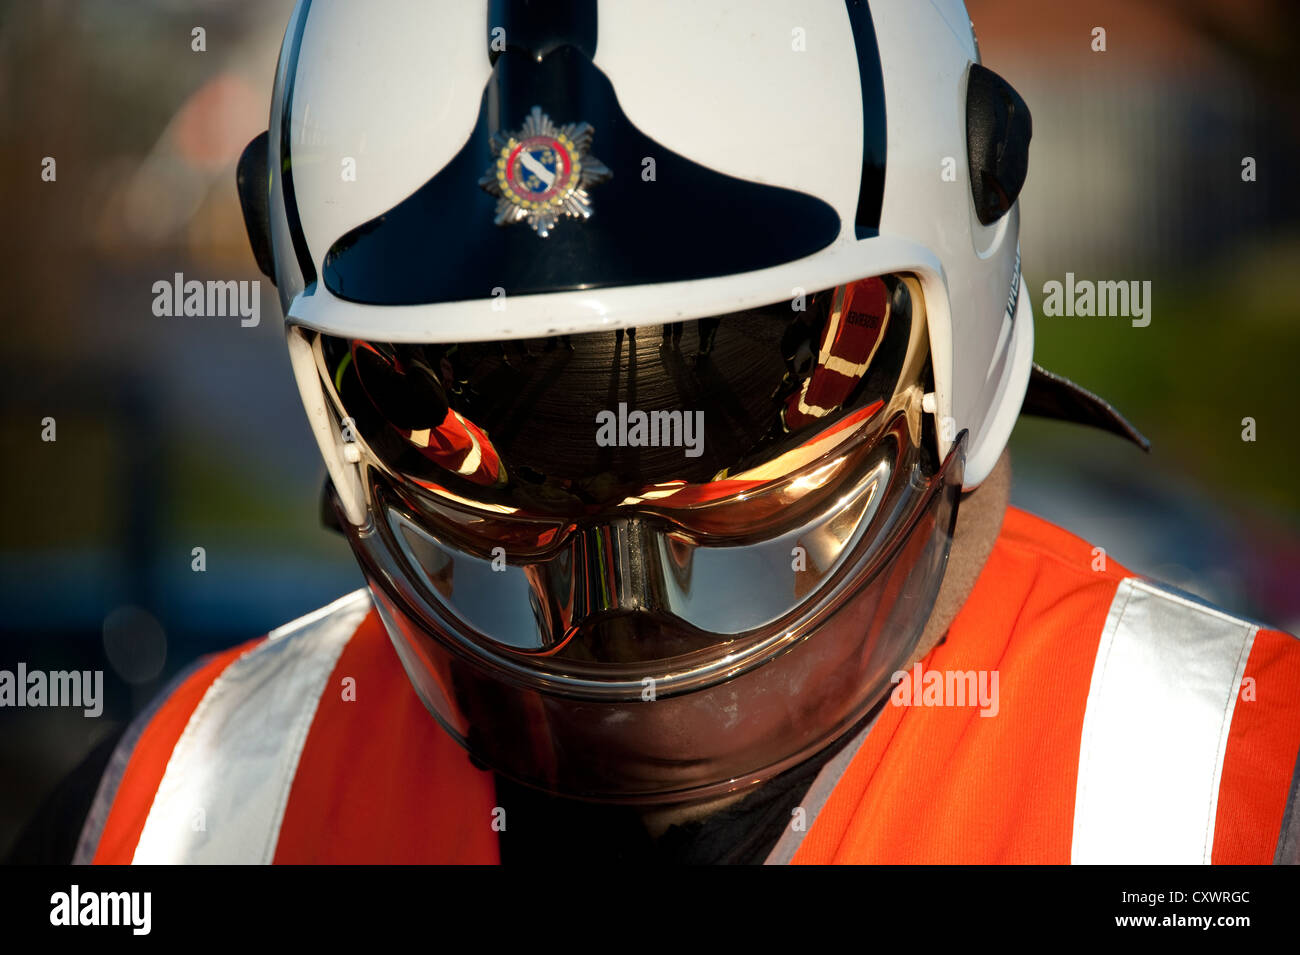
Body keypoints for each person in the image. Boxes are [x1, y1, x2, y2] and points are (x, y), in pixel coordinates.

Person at [45, 0, 1300, 864]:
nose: (616, 556)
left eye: (737, 380)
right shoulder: (173, 810)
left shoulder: (1233, 793)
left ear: (947, 324)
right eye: (479, 394)